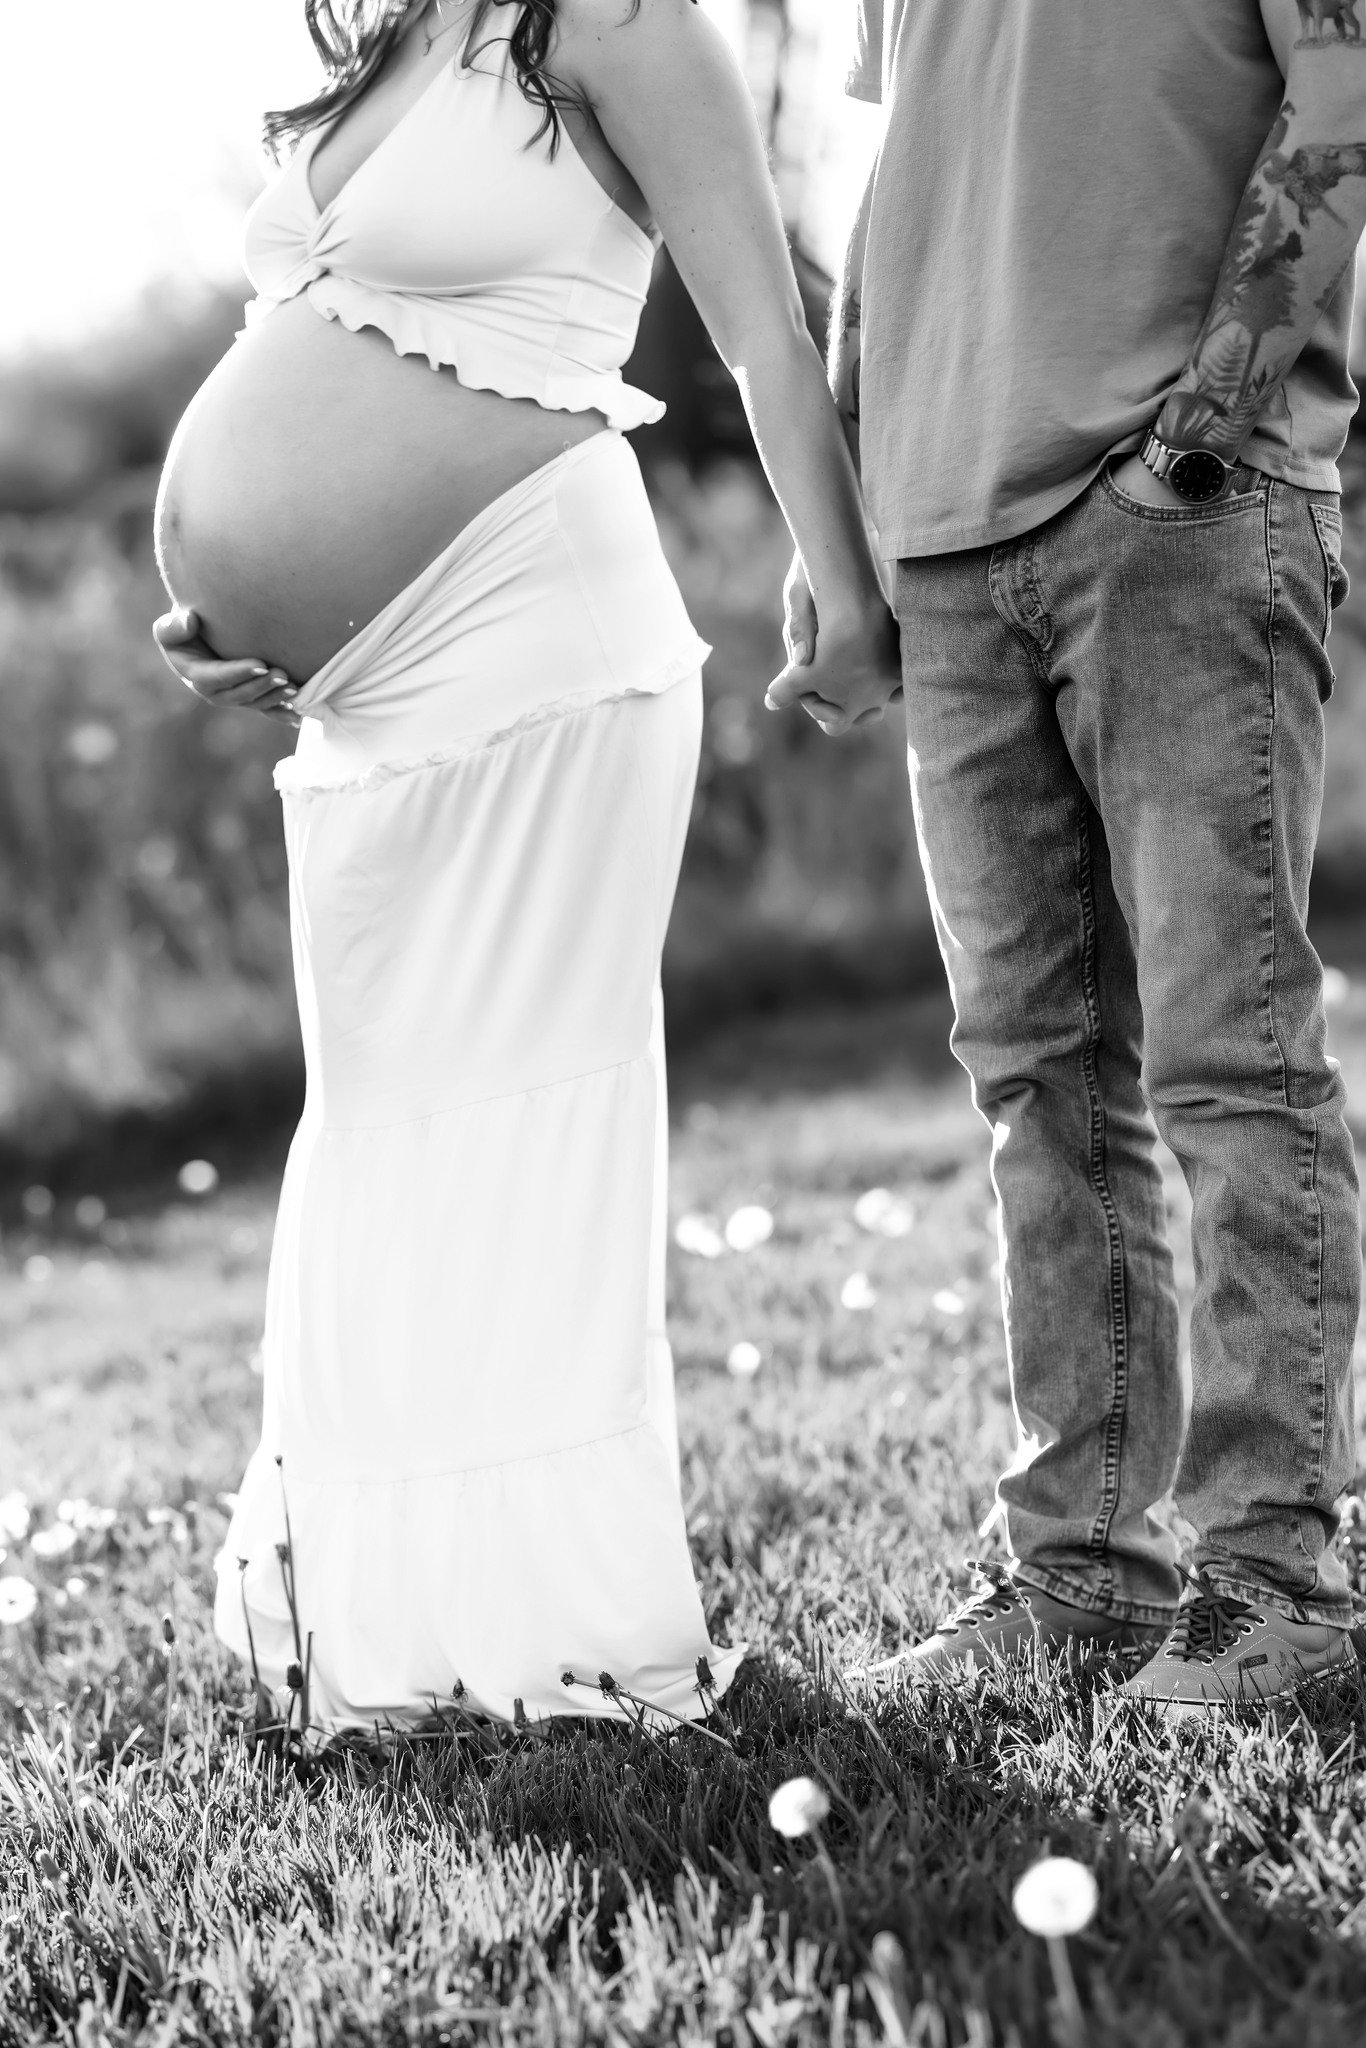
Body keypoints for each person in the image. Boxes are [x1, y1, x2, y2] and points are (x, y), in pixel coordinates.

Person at [152, 0, 901, 1741]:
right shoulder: (406, 34)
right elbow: (331, 342)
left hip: (529, 650)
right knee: (385, 1135)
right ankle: (383, 1618)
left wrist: (847, 594)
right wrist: (226, 594)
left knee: (499, 1129)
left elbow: (763, 328)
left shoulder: (626, 23)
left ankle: (537, 1621)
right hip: (359, 699)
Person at [774, 0, 1366, 1718]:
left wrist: (1211, 423)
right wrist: (843, 525)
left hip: (1170, 506)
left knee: (1228, 1062)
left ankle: (1271, 1581)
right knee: (1036, 1082)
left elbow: (1341, 103)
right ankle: (1079, 1576)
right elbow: (898, 191)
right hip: (944, 541)